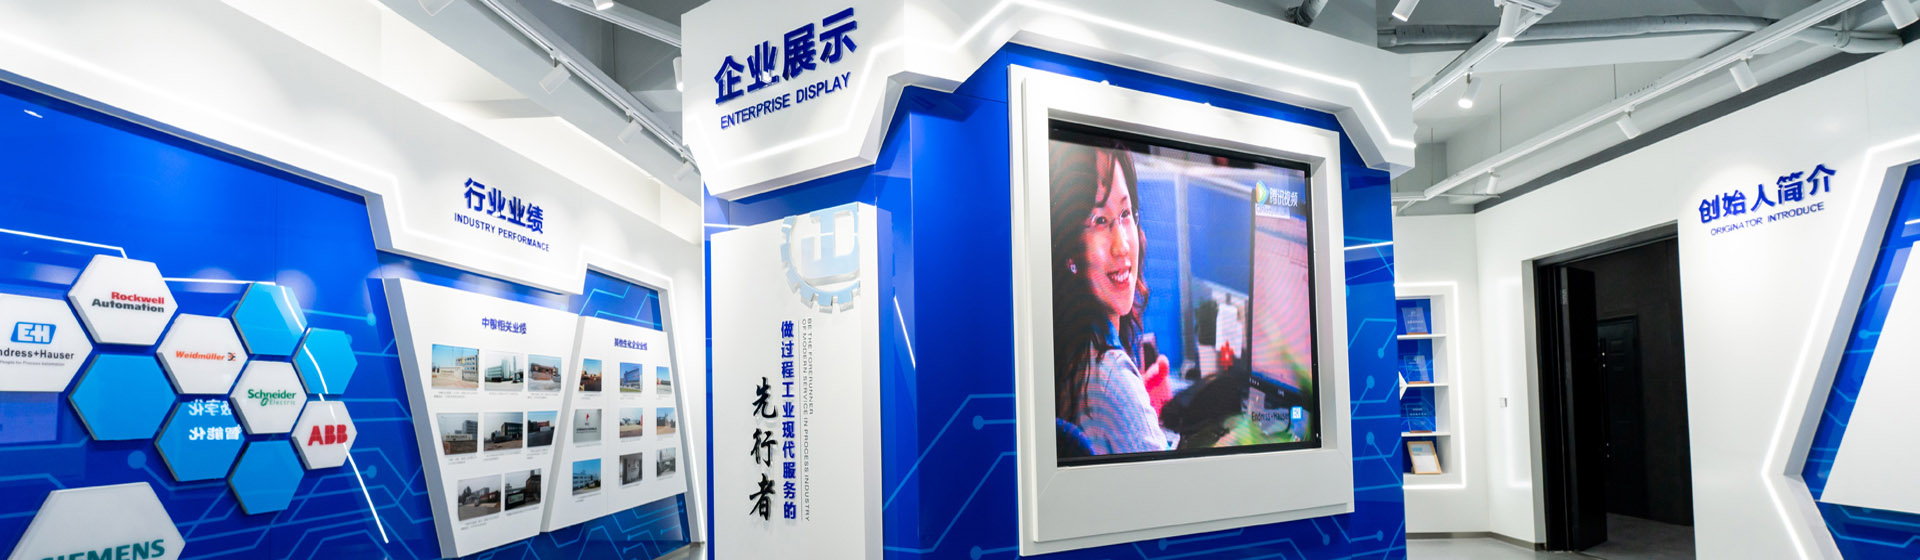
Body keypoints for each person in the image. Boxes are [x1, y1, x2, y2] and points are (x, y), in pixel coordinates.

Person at [1050, 132, 1169, 456]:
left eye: (1126, 214)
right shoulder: (1109, 377)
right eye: (1100, 221)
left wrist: (1141, 407)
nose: (1123, 245)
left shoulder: (1071, 354)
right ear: (1070, 249)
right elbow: (1176, 485)